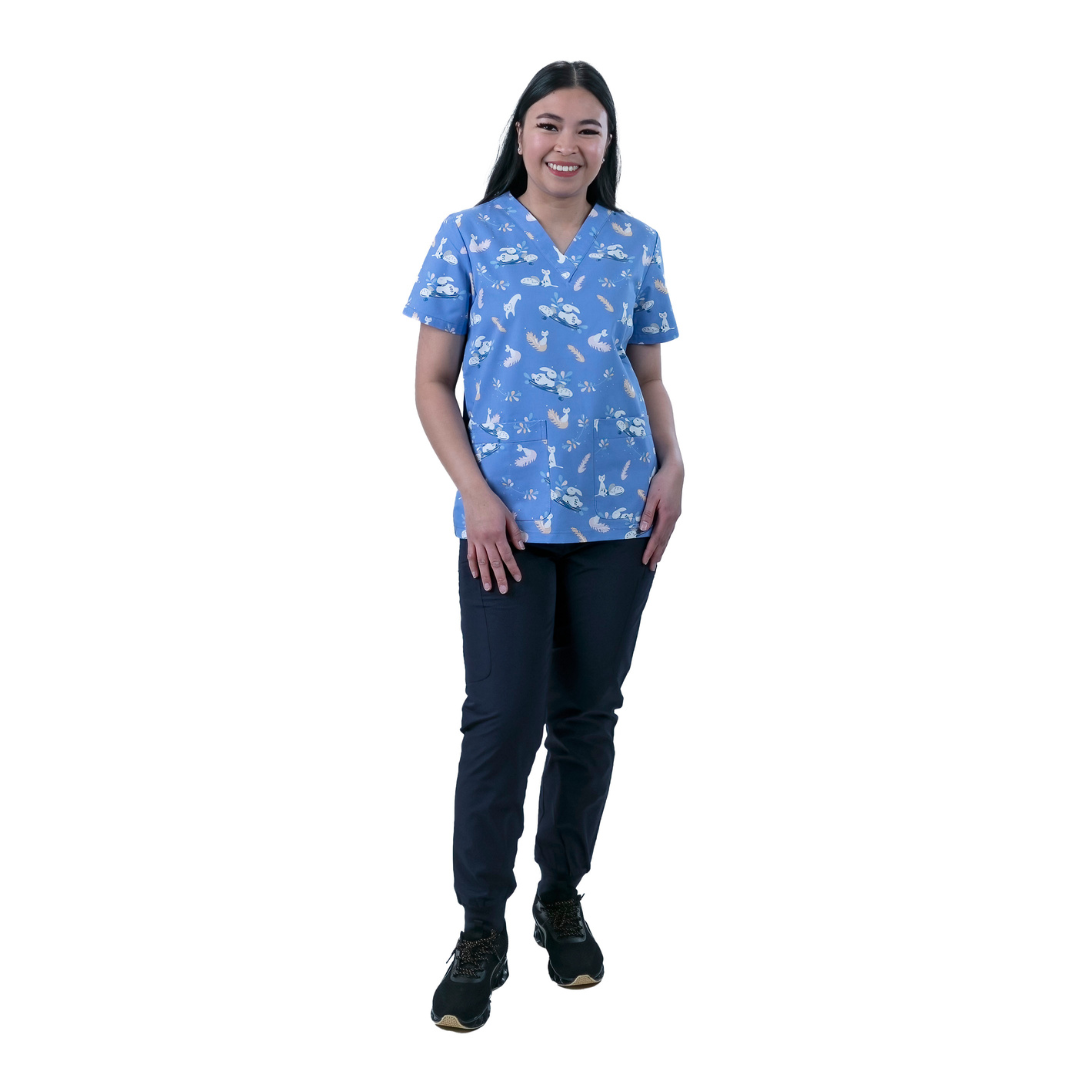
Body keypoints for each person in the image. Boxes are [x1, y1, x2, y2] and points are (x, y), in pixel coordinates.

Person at [403, 59, 684, 1032]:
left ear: (608, 145)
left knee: (587, 718)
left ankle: (561, 898)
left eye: (589, 129)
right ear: (521, 135)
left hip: (618, 519)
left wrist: (674, 463)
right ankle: (480, 928)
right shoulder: (469, 236)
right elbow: (431, 383)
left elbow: (649, 378)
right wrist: (476, 495)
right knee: (501, 723)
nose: (568, 145)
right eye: (550, 124)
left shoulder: (634, 245)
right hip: (507, 529)